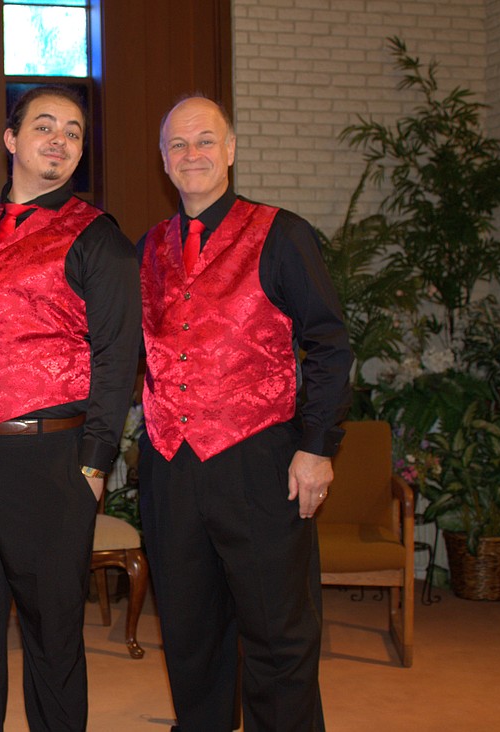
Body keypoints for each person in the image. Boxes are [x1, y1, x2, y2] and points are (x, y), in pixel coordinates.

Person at [0, 85, 142, 731]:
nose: (60, 140)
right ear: (12, 139)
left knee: (53, 639)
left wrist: (95, 464)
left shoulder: (100, 239)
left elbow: (116, 358)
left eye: (73, 132)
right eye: (45, 126)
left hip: (51, 461)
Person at [137, 95, 352, 731]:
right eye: (179, 145)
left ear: (230, 151)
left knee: (276, 632)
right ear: (165, 162)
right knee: (188, 630)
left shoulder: (281, 232)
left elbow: (329, 342)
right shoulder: (149, 247)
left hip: (260, 460)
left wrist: (317, 446)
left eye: (206, 141)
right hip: (172, 468)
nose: (192, 154)